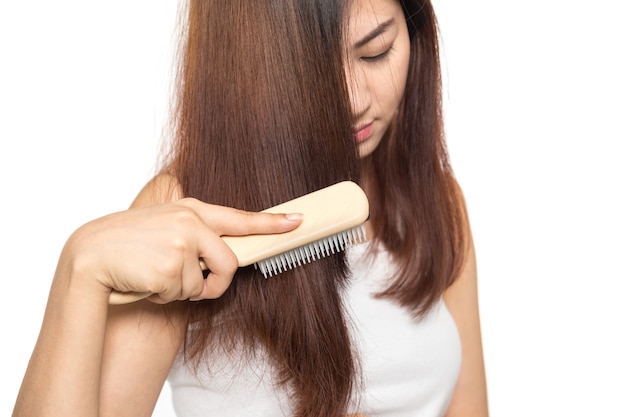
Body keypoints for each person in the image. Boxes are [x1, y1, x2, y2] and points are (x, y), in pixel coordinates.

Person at [13, 0, 488, 416]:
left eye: (376, 51)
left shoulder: (438, 201)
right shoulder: (183, 215)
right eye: (312, 74)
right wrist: (81, 269)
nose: (355, 101)